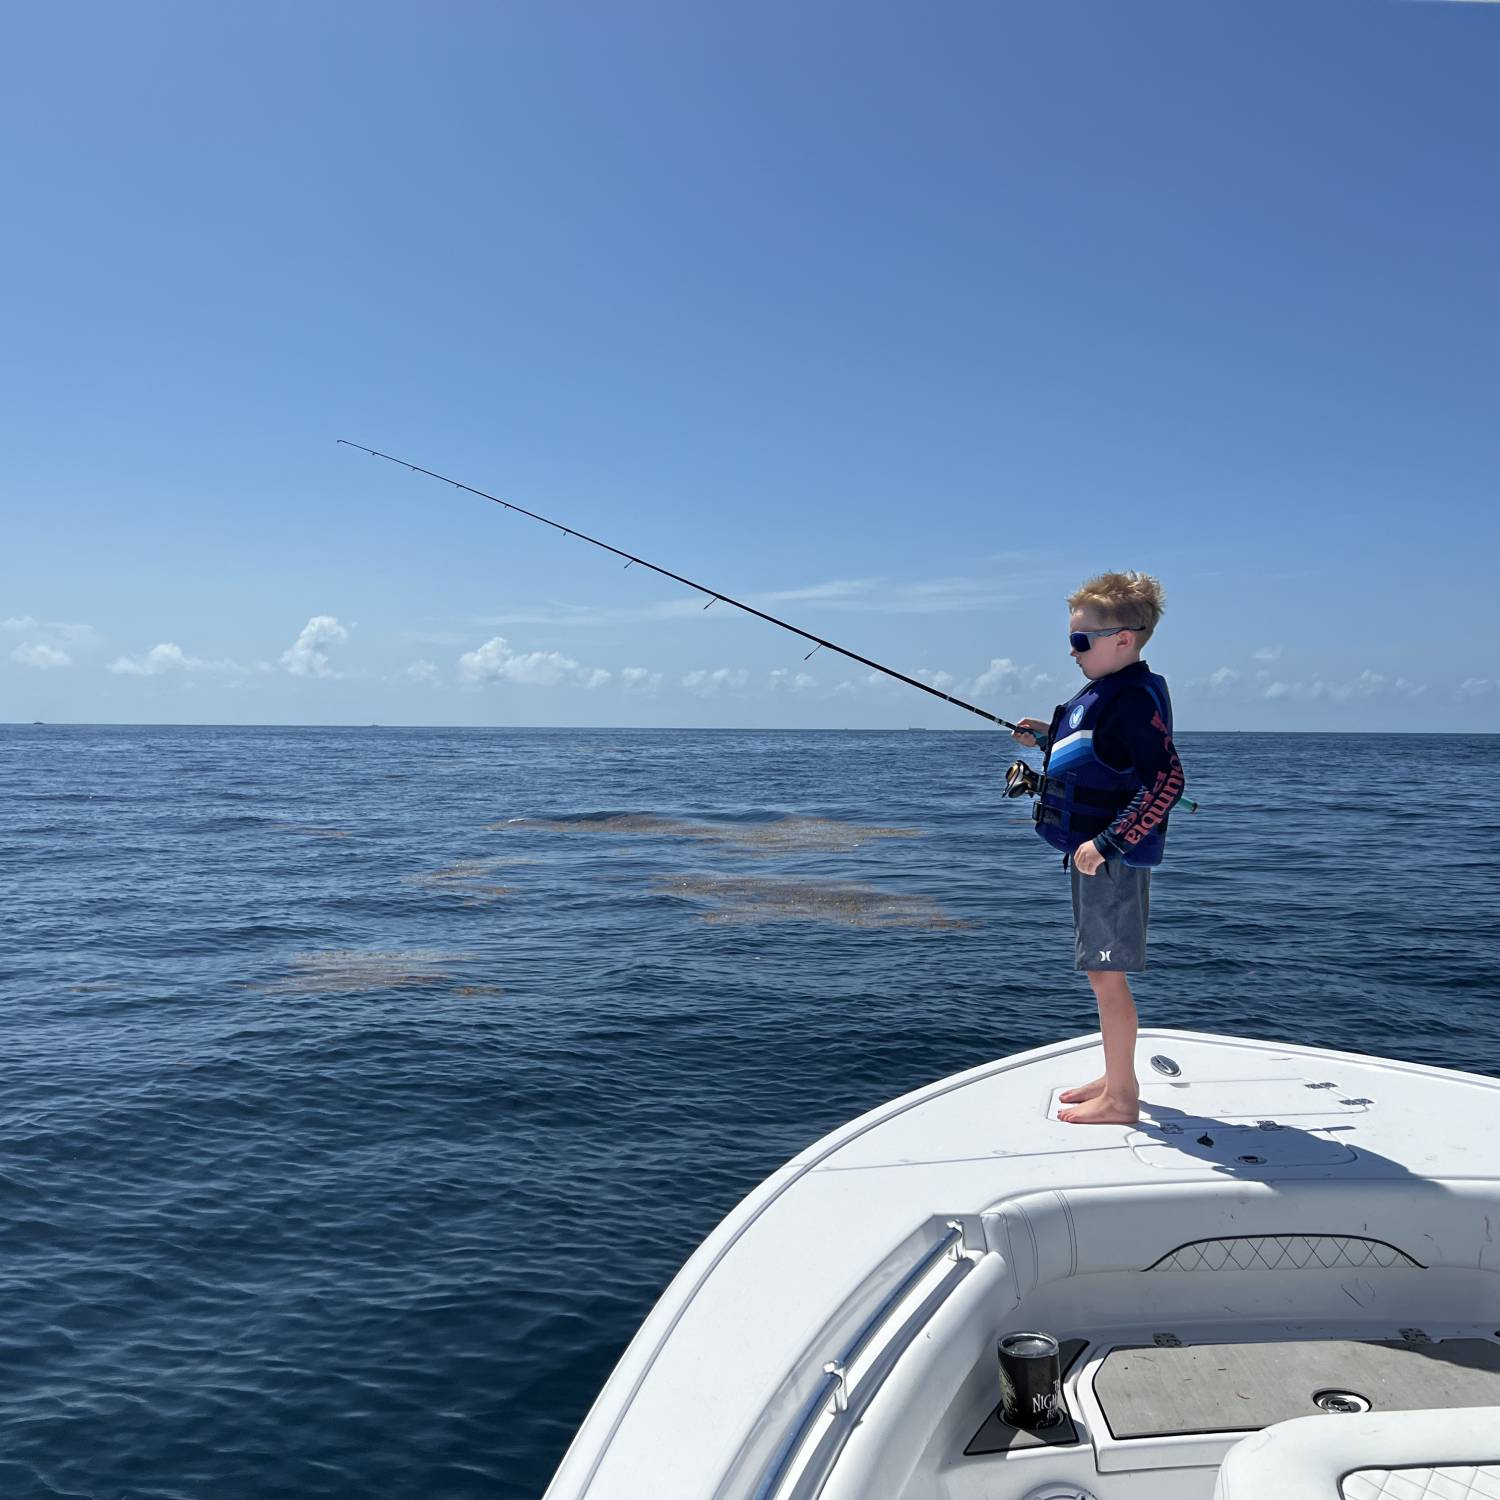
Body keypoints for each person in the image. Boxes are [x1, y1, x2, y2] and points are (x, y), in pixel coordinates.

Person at [1012, 571, 1185, 1125]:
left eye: (1081, 640)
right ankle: (1116, 1076)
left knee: (1107, 976)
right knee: (1098, 973)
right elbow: (1098, 748)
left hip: (1108, 859)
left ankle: (1123, 1098)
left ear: (1123, 639)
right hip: (1093, 855)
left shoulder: (1132, 699)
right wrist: (1046, 735)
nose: (1072, 650)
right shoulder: (1109, 693)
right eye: (1071, 638)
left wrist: (1109, 842)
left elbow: (1167, 782)